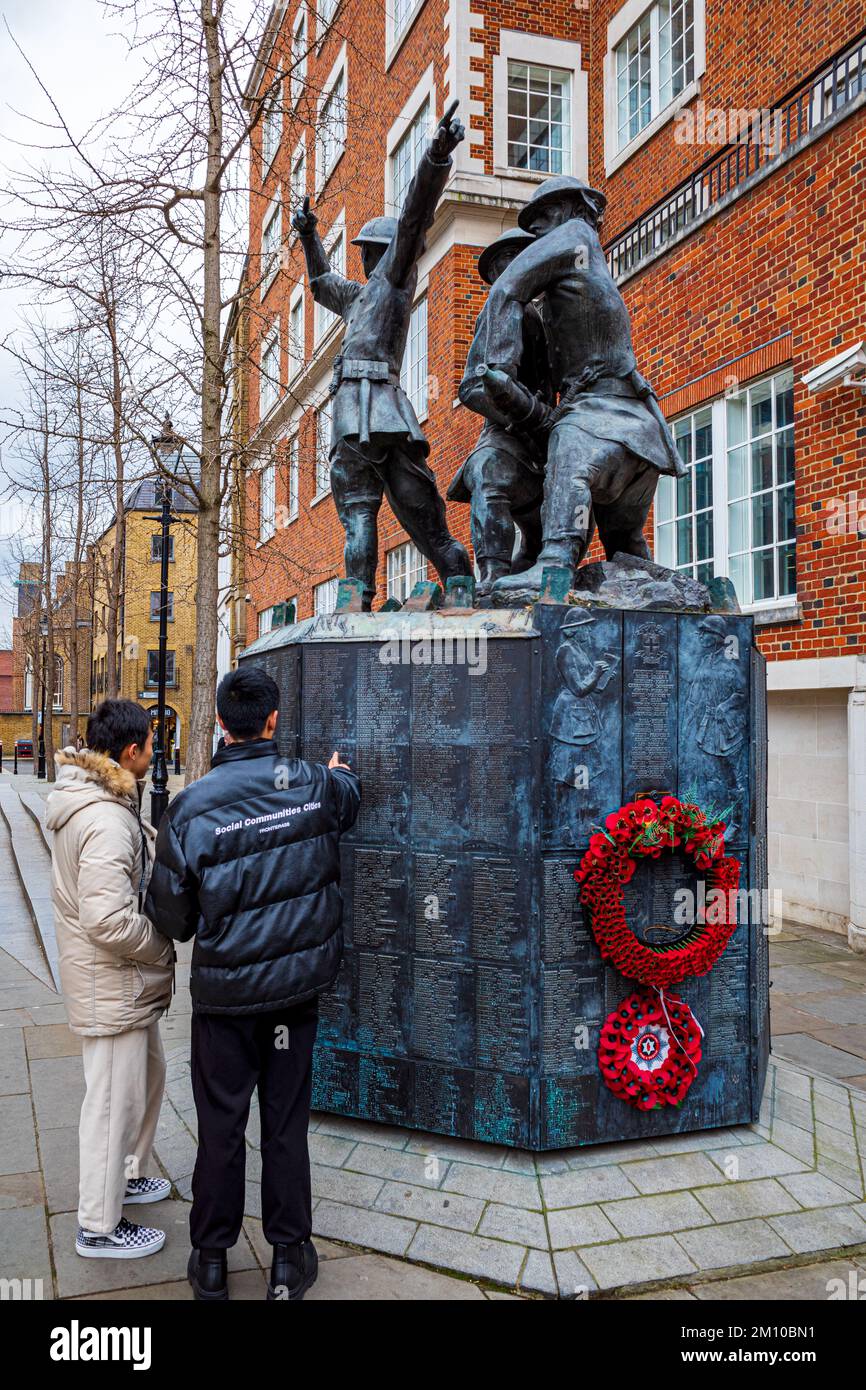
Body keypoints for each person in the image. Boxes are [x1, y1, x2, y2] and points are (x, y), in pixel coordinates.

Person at [146, 665, 360, 1301]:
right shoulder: (315, 786)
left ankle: (211, 1263)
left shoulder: (189, 811)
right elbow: (349, 795)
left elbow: (174, 920)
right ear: (273, 721)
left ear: (219, 724)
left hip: (225, 1004)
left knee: (220, 1126)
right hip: (294, 999)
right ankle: (289, 1260)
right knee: (286, 1124)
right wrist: (340, 771)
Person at [464, 175, 686, 599]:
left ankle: (552, 564)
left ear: (568, 210)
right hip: (637, 430)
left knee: (567, 448)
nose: (538, 236)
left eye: (541, 223)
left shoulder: (575, 235)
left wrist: (501, 366)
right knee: (627, 551)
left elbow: (508, 288)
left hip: (594, 424)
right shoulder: (578, 274)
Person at [292, 100, 471, 609]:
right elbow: (323, 285)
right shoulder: (361, 295)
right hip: (362, 409)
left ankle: (452, 576)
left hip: (372, 405)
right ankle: (363, 596)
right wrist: (309, 236)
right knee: (371, 512)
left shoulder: (393, 278)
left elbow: (414, 216)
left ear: (382, 251)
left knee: (400, 513)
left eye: (367, 248)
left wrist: (436, 156)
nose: (365, 256)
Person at [46, 700, 174, 1261]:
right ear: (130, 752)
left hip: (117, 982)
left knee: (145, 1079)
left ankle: (127, 1175)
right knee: (110, 1104)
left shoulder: (106, 803)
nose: (157, 750)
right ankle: (99, 1225)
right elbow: (106, 920)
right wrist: (162, 946)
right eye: (152, 742)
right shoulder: (103, 819)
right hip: (113, 982)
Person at [449, 227, 553, 597]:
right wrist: (521, 417)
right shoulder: (499, 313)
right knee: (488, 472)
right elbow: (472, 387)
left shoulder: (550, 313)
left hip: (554, 430)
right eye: (507, 266)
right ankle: (492, 574)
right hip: (511, 432)